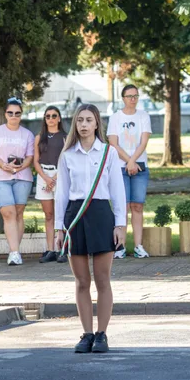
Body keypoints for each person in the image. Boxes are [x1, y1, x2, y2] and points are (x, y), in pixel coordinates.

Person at [54, 104, 127, 353]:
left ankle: (102, 334)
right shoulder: (67, 155)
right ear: (75, 124)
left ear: (97, 124)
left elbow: (118, 190)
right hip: (75, 216)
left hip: (101, 216)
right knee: (82, 281)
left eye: (89, 120)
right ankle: (86, 334)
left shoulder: (109, 152)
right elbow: (61, 194)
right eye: (80, 120)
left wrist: (120, 224)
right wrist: (58, 228)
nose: (84, 125)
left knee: (103, 279)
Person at [0, 98, 36, 265]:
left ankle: (15, 249)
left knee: (19, 213)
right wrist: (4, 165)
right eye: (10, 113)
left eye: (17, 113)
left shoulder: (27, 134)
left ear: (21, 115)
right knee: (9, 213)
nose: (14, 116)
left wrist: (21, 167)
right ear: (5, 114)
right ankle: (14, 252)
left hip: (22, 177)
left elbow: (30, 156)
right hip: (0, 177)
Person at [107, 85, 153, 259]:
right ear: (123, 98)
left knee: (137, 205)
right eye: (129, 96)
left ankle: (138, 246)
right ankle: (121, 246)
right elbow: (113, 143)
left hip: (139, 165)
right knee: (122, 206)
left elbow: (144, 142)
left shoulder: (143, 116)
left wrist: (133, 161)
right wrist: (128, 161)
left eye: (135, 96)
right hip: (120, 166)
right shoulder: (115, 118)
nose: (132, 99)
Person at [34, 106, 68, 263]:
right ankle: (50, 249)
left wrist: (54, 178)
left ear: (59, 118)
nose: (51, 118)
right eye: (48, 116)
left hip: (59, 175)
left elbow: (66, 160)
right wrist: (46, 178)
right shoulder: (39, 137)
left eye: (54, 115)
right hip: (43, 176)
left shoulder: (65, 137)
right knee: (48, 215)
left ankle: (63, 248)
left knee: (61, 213)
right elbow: (35, 160)